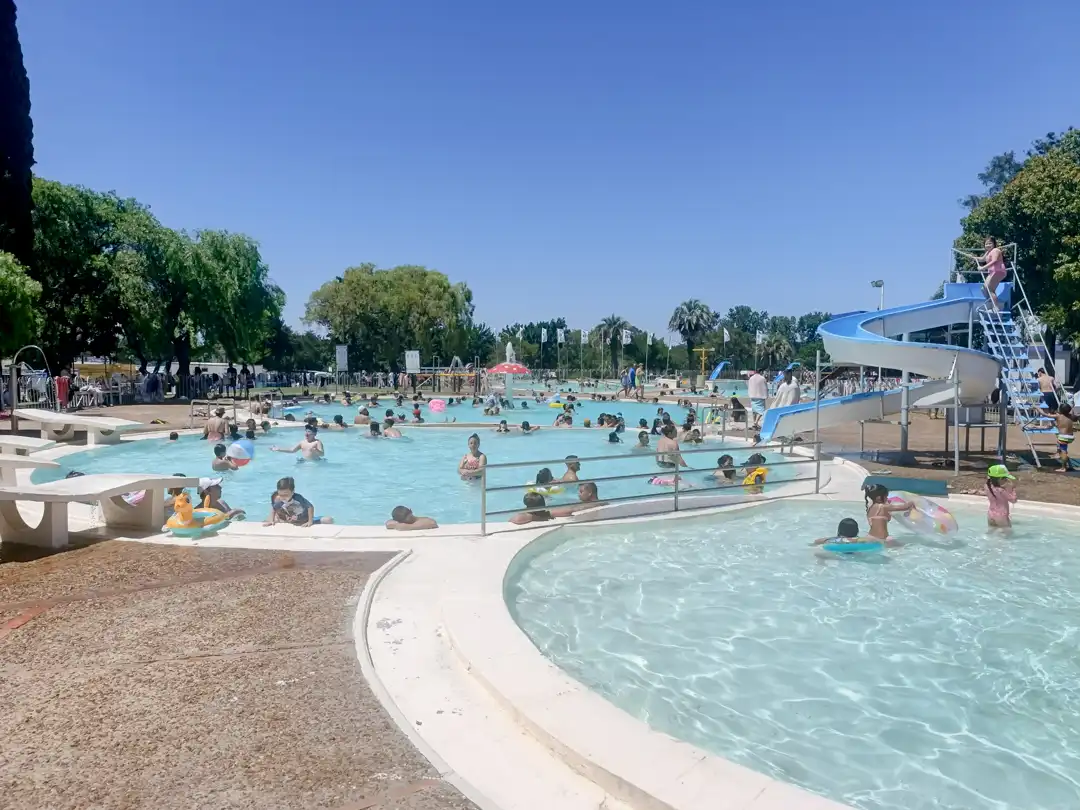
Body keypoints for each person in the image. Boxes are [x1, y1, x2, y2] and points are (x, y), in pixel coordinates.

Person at [264, 476, 333, 526]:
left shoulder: (298, 498)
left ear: (293, 492)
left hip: (306, 519)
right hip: (295, 522)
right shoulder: (281, 501)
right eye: (281, 495)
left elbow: (310, 507)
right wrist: (271, 520)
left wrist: (310, 521)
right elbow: (273, 508)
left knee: (328, 520)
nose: (283, 497)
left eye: (286, 495)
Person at [976, 236, 1007, 311]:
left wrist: (983, 268)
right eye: (986, 244)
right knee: (984, 288)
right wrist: (973, 258)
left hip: (998, 271)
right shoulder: (988, 252)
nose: (988, 245)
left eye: (990, 243)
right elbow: (982, 259)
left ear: (994, 244)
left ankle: (996, 307)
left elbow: (994, 261)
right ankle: (991, 303)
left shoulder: (996, 250)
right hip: (992, 272)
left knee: (990, 289)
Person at [1054, 403, 1077, 472]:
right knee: (1062, 448)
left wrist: (1038, 409)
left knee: (1063, 451)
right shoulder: (1070, 416)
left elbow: (1046, 415)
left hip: (1064, 437)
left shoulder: (1059, 416)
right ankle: (1059, 453)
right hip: (1069, 436)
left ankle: (1063, 468)